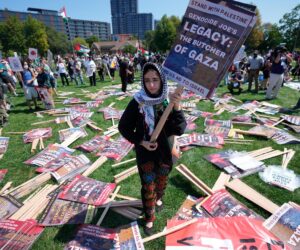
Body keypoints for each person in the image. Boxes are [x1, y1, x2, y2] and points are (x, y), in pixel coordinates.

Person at [118, 62, 186, 235]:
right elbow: (124, 127)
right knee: (148, 186)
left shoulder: (168, 101)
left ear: (162, 80)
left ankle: (160, 197)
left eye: (155, 80)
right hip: (145, 154)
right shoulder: (138, 101)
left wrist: (177, 107)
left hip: (165, 152)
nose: (152, 85)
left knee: (162, 180)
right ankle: (149, 218)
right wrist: (141, 142)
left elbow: (179, 129)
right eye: (147, 80)